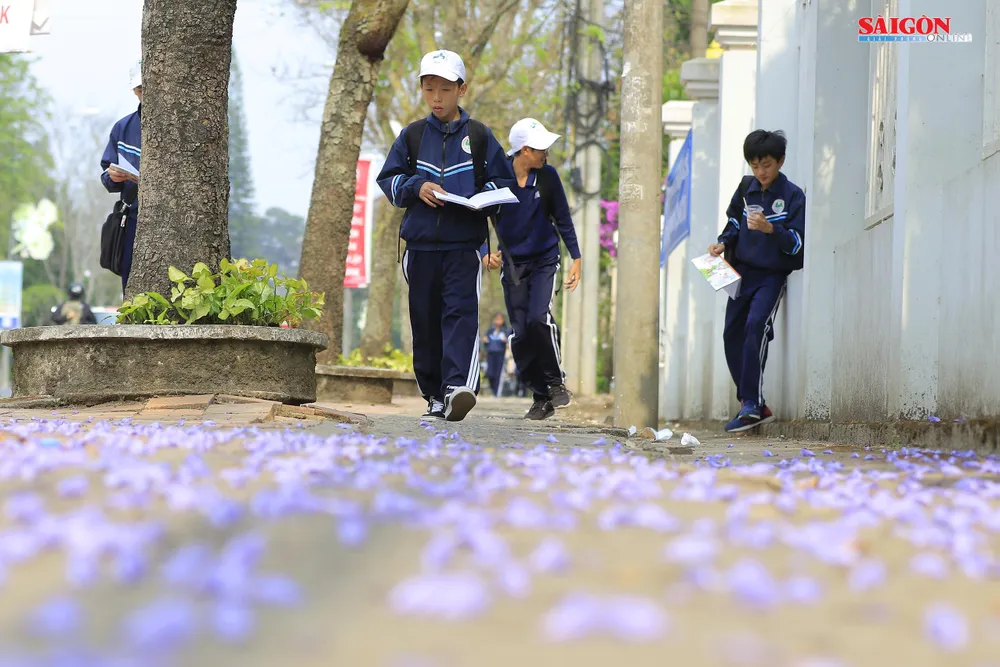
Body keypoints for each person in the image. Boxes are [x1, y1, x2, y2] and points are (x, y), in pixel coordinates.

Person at [376, 49, 515, 422]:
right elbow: (388, 180)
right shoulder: (412, 136)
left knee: (460, 315)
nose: (436, 98)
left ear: (461, 89)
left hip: (464, 248)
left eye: (445, 90)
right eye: (429, 89)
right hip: (419, 248)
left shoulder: (480, 137)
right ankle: (434, 396)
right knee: (424, 321)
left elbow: (503, 184)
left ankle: (457, 387)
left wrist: (482, 200)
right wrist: (416, 186)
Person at [481, 118, 581, 421]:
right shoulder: (497, 180)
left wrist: (576, 258)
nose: (546, 153)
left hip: (544, 260)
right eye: (541, 149)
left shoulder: (548, 177)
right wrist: (485, 253)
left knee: (539, 318)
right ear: (524, 150)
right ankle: (541, 397)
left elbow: (562, 218)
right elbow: (477, 219)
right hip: (513, 266)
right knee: (521, 334)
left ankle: (555, 382)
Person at [708, 129, 805, 433]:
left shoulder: (793, 196)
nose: (761, 172)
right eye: (755, 165)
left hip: (771, 275)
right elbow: (733, 222)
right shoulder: (746, 188)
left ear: (780, 161)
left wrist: (771, 230)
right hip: (741, 274)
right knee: (731, 335)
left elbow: (797, 244)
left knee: (756, 326)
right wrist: (722, 242)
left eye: (766, 165)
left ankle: (751, 403)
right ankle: (752, 404)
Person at [100, 58, 142, 297]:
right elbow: (106, 174)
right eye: (140, 88)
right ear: (134, 90)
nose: (145, 93)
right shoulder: (123, 128)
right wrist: (112, 177)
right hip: (132, 218)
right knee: (131, 286)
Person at [482, 313, 510, 396]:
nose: (498, 321)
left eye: (500, 319)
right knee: (490, 373)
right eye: (496, 319)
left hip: (500, 354)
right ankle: (492, 388)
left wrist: (506, 341)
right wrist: (484, 341)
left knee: (498, 374)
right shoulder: (489, 331)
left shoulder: (505, 331)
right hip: (490, 354)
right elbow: (485, 342)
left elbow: (508, 344)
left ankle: (496, 393)